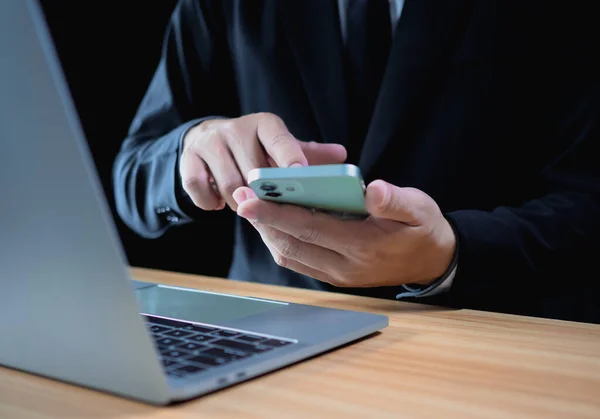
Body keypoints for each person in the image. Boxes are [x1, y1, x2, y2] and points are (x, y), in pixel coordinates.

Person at [113, 0, 600, 323]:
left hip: (481, 336)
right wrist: (192, 148)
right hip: (268, 331)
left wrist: (452, 253)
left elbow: (586, 202)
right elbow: (132, 176)